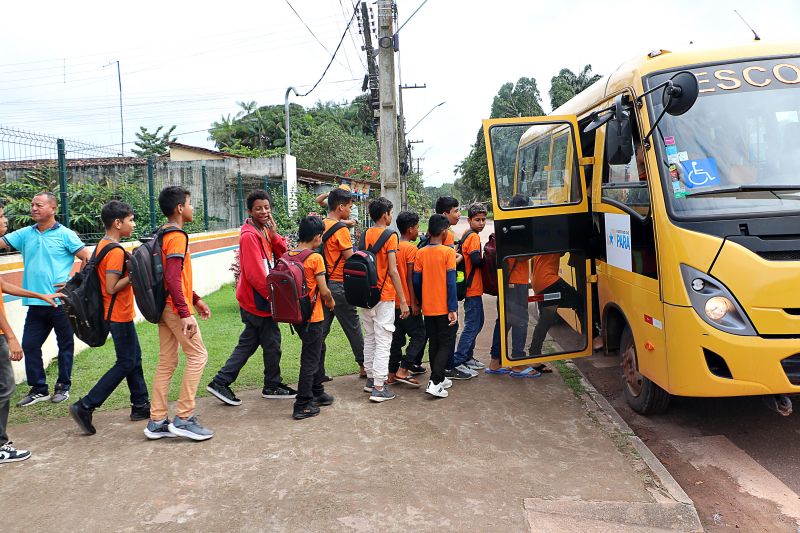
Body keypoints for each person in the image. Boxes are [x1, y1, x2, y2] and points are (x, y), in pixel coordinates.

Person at [0, 192, 90, 406]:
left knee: (65, 345)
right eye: (32, 205)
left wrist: (75, 283)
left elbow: (87, 257)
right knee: (30, 345)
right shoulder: (24, 233)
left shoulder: (66, 234)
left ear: (53, 208)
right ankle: (39, 389)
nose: (33, 208)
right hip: (36, 303)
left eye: (39, 205)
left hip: (61, 303)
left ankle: (63, 387)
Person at [69, 201, 151, 435]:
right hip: (118, 314)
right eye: (130, 220)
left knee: (134, 358)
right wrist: (135, 273)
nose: (133, 225)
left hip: (114, 312)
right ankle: (86, 405)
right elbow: (112, 287)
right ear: (117, 223)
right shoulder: (114, 251)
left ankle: (140, 404)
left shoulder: (103, 244)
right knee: (126, 361)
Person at [206, 190, 294, 406]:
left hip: (258, 299)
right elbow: (255, 274)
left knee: (250, 342)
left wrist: (274, 234)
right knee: (271, 342)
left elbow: (282, 254)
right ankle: (271, 384)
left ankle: (221, 381)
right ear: (250, 211)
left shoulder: (263, 230)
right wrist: (273, 298)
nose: (263, 211)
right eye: (258, 208)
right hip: (256, 300)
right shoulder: (249, 236)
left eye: (266, 207)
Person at [145, 186, 214, 441]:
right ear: (180, 208)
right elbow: (173, 278)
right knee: (198, 356)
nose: (193, 208)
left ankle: (157, 421)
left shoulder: (161, 233)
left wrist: (195, 299)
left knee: (167, 362)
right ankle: (184, 418)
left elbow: (172, 277)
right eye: (190, 203)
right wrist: (185, 311)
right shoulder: (177, 236)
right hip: (175, 308)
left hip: (164, 306)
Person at [0, 203, 62, 463]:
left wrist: (40, 295)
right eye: (0, 216)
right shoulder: (26, 233)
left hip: (46, 302)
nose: (5, 220)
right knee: (5, 387)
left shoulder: (63, 233)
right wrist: (10, 337)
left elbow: (3, 285)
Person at [360, 197, 409, 402]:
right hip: (384, 294)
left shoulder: (365, 234)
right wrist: (403, 300)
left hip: (365, 294)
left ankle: (371, 379)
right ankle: (379, 387)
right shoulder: (390, 236)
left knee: (370, 336)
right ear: (384, 215)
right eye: (390, 213)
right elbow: (393, 270)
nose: (391, 216)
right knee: (383, 340)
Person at [288, 216, 335, 420]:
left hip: (296, 315)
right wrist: (331, 303)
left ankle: (317, 390)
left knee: (318, 349)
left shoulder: (288, 254)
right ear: (317, 237)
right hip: (313, 317)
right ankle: (303, 403)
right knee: (310, 358)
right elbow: (324, 291)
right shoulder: (315, 258)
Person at [320, 187, 366, 377]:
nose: (350, 210)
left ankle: (316, 371)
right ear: (340, 207)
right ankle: (364, 366)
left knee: (320, 331)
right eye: (349, 206)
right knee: (353, 327)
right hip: (339, 285)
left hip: (322, 284)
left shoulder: (320, 225)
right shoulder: (341, 229)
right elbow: (351, 259)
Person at [413, 214, 457, 398]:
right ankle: (436, 381)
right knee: (445, 343)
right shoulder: (448, 253)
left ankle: (439, 378)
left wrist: (420, 300)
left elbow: (416, 281)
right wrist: (452, 308)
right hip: (444, 306)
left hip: (428, 307)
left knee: (434, 342)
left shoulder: (420, 253)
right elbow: (451, 283)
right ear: (444, 232)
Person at [387, 211, 426, 386]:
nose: (418, 231)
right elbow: (411, 278)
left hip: (391, 300)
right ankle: (404, 369)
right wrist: (414, 302)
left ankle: (391, 373)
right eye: (417, 227)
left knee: (396, 339)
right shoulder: (411, 249)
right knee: (419, 334)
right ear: (410, 229)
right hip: (406, 302)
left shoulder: (393, 246)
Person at [451, 203, 488, 374]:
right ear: (470, 220)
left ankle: (467, 356)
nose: (481, 223)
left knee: (477, 322)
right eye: (477, 220)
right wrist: (488, 259)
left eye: (483, 219)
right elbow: (476, 260)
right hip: (472, 288)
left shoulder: (467, 234)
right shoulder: (473, 237)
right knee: (473, 325)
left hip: (471, 287)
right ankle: (459, 359)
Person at [528, 253, 584, 358]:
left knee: (546, 319)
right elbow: (563, 251)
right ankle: (591, 337)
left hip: (538, 283)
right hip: (549, 282)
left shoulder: (542, 243)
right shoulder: (552, 241)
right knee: (580, 301)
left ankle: (534, 351)